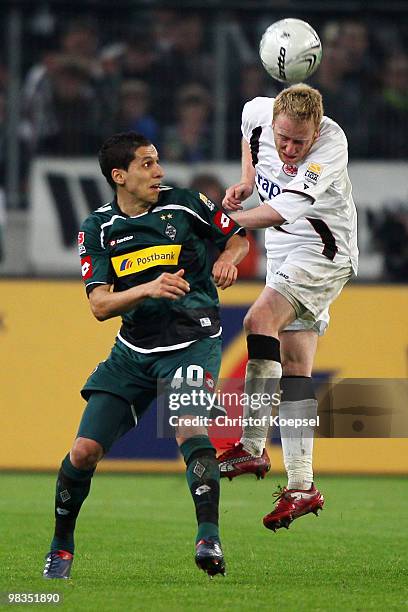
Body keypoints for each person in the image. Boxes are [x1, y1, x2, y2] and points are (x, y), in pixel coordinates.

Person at [42, 132, 248, 579]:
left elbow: (238, 237)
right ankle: (60, 547)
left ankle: (209, 538)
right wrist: (150, 288)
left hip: (193, 340)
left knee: (187, 427)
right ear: (120, 175)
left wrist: (229, 258)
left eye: (158, 162)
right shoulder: (96, 228)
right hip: (133, 352)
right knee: (83, 452)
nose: (159, 171)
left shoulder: (186, 203)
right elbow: (99, 305)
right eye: (147, 164)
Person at [218, 84, 358, 531]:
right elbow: (249, 131)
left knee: (259, 320)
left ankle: (252, 444)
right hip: (283, 251)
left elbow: (287, 208)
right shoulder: (259, 112)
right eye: (283, 138)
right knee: (296, 367)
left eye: (300, 140)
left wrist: (222, 223)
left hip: (322, 251)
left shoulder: (331, 144)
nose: (290, 148)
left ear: (316, 130)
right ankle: (301, 486)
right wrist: (246, 178)